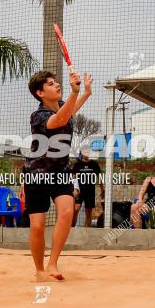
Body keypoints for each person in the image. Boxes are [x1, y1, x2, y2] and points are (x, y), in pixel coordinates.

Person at [23, 69, 93, 281]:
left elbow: (70, 110)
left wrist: (86, 93)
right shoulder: (38, 116)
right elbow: (60, 120)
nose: (57, 85)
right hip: (36, 174)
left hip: (60, 172)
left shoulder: (64, 106)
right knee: (37, 226)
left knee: (66, 211)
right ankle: (39, 269)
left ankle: (53, 263)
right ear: (40, 93)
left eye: (56, 82)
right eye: (51, 84)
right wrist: (74, 92)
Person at [70, 151, 101, 228]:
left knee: (88, 212)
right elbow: (73, 178)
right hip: (79, 191)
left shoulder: (94, 164)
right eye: (85, 151)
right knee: (76, 208)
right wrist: (74, 189)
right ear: (81, 153)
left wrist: (102, 189)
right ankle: (71, 228)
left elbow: (99, 178)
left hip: (90, 191)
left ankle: (87, 232)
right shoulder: (77, 164)